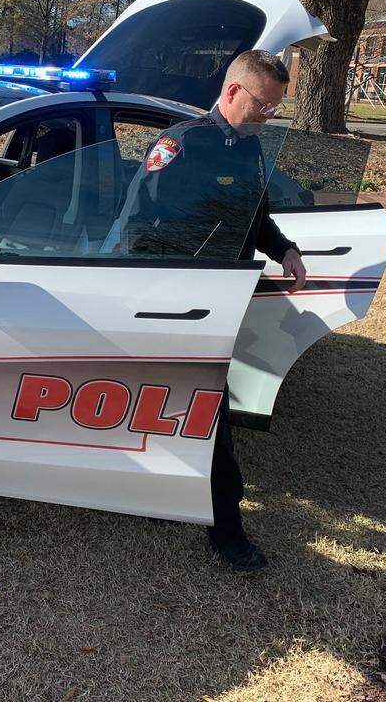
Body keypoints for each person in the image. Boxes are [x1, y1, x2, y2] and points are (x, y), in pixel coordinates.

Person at [120, 49, 307, 571]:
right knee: (208, 411)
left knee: (181, 404)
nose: (268, 116)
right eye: (263, 106)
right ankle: (227, 525)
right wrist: (161, 299)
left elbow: (255, 215)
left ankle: (163, 497)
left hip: (222, 299)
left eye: (275, 108)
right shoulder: (182, 144)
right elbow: (139, 225)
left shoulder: (249, 150)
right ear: (232, 92)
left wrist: (284, 249)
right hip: (179, 304)